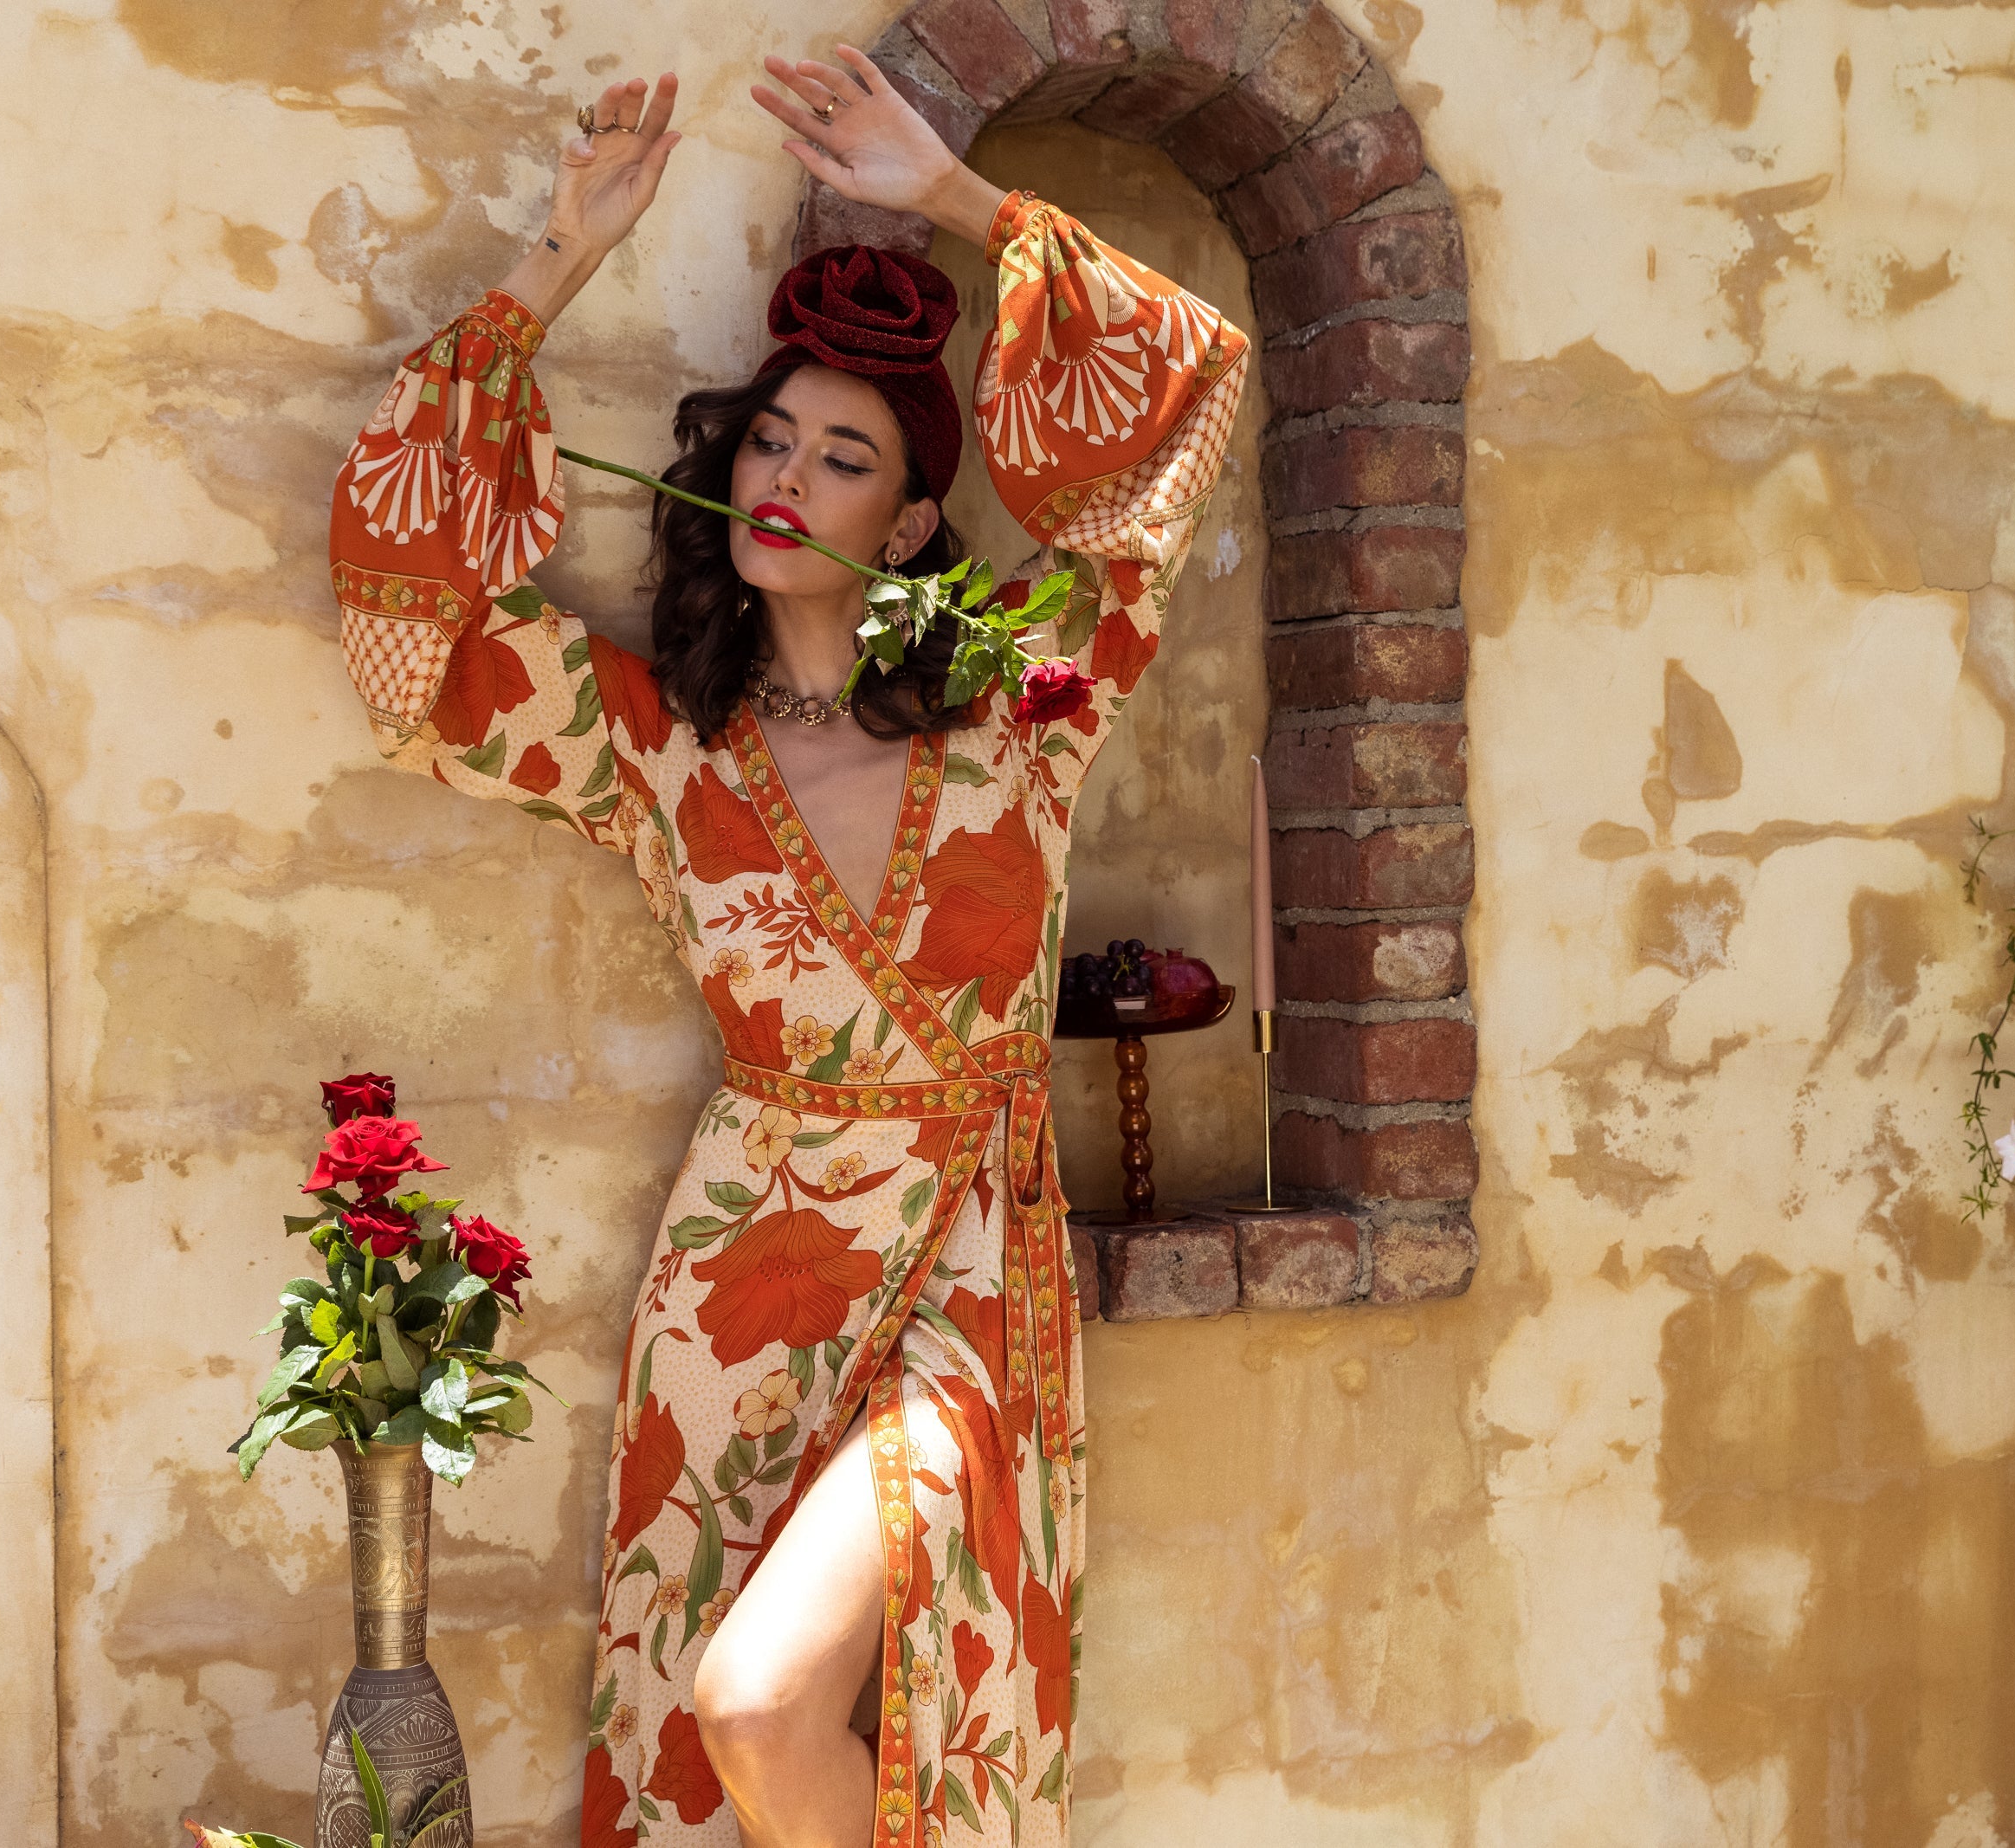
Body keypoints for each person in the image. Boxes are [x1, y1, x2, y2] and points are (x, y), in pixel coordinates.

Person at [326, 47, 1250, 1848]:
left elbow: (1180, 401)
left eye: (843, 456)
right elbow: (402, 618)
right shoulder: (654, 733)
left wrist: (961, 202)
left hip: (966, 1264)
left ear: (906, 523)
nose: (785, 474)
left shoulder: (1027, 697)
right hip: (736, 1277)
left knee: (760, 1699)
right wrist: (557, 262)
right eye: (768, 435)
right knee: (702, 1730)